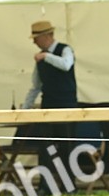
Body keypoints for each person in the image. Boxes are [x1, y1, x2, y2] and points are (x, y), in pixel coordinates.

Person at [20, 20, 78, 184]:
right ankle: (45, 185)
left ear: (47, 36)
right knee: (46, 148)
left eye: (36, 38)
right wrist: (25, 108)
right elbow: (36, 86)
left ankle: (69, 185)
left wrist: (46, 56)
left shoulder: (65, 50)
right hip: (48, 106)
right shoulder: (40, 60)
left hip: (67, 106)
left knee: (67, 147)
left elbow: (66, 65)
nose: (34, 42)